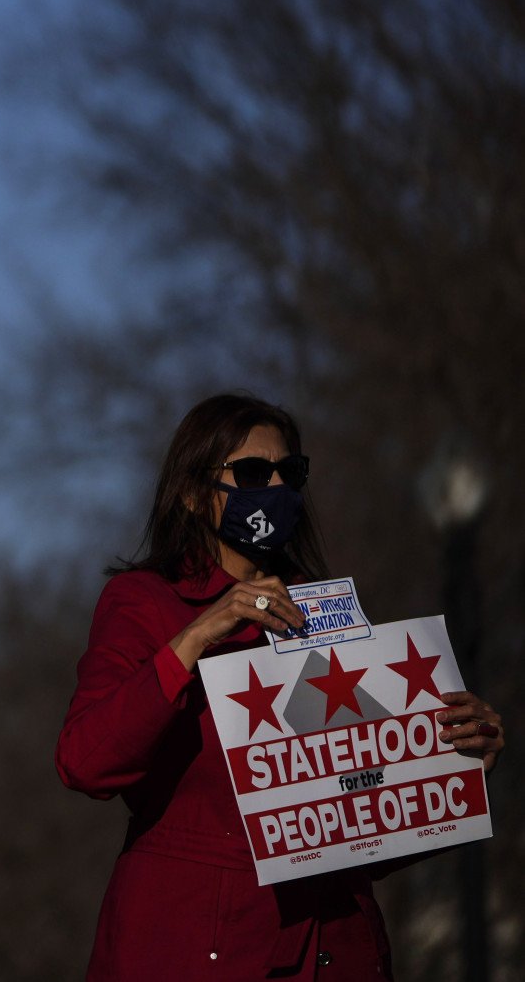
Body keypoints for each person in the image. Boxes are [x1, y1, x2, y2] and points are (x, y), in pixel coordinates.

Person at [57, 392, 506, 979]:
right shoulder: (146, 603)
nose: (273, 486)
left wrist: (454, 767)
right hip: (200, 951)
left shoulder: (327, 614)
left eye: (288, 472)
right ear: (194, 493)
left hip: (334, 951)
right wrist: (199, 635)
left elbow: (359, 833)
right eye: (249, 472)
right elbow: (84, 762)